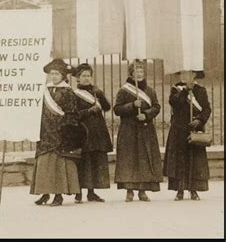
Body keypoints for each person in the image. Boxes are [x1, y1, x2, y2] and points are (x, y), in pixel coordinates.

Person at [30, 59, 87, 207]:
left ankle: (58, 195)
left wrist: (64, 128)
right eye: (52, 74)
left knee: (58, 166)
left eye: (57, 74)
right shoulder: (45, 90)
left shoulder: (68, 92)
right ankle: (44, 193)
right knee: (44, 164)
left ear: (63, 76)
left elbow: (72, 114)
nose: (54, 76)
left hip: (59, 133)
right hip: (45, 132)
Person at [114, 60, 163, 202]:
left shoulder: (150, 91)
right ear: (131, 74)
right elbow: (117, 109)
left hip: (145, 129)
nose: (139, 74)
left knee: (143, 159)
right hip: (128, 129)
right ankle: (129, 191)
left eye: (141, 71)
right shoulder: (124, 90)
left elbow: (157, 106)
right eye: (136, 72)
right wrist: (132, 105)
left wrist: (146, 115)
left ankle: (142, 191)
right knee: (129, 160)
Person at [163, 70, 211, 201]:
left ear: (194, 75)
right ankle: (179, 190)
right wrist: (185, 91)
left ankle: (193, 190)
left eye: (187, 74)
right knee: (179, 160)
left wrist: (200, 120)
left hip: (195, 128)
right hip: (179, 129)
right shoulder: (176, 89)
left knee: (195, 160)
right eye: (181, 74)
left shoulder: (201, 90)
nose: (183, 77)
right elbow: (175, 103)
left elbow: (207, 108)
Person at [72, 63, 113, 203]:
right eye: (83, 76)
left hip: (97, 132)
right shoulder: (75, 94)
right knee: (83, 162)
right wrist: (89, 111)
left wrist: (101, 95)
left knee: (94, 161)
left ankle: (91, 192)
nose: (86, 78)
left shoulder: (96, 93)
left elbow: (107, 108)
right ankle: (79, 193)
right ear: (77, 78)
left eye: (88, 76)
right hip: (83, 132)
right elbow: (73, 115)